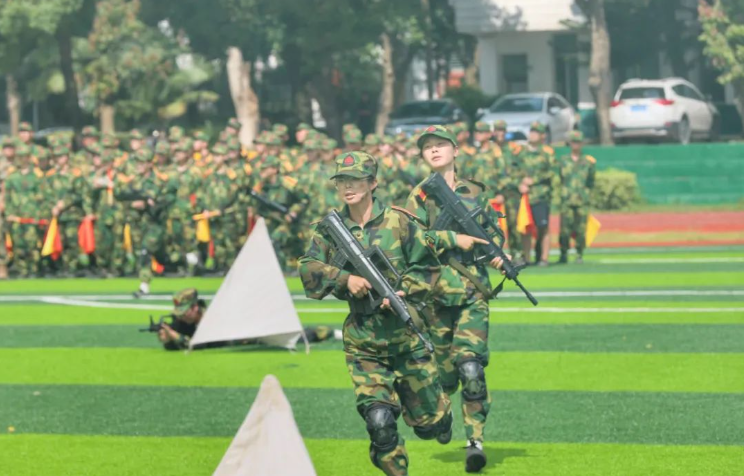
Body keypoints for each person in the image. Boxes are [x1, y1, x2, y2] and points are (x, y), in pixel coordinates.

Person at [298, 151, 456, 476]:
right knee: (380, 423)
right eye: (342, 181)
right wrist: (344, 278)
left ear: (373, 183)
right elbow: (307, 267)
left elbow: (428, 268)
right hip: (364, 343)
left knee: (431, 425)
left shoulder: (400, 222)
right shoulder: (329, 229)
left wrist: (403, 290)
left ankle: (439, 416)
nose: (347, 187)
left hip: (407, 339)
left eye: (355, 180)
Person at [404, 125, 507, 473]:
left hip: (472, 293)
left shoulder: (476, 193)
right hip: (433, 297)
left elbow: (491, 235)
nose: (434, 150)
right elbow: (411, 243)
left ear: (455, 150)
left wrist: (498, 256)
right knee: (445, 378)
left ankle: (475, 441)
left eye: (440, 145)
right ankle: (443, 414)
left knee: (471, 369)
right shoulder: (418, 197)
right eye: (427, 147)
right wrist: (451, 239)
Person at [518, 122, 555, 266]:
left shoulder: (547, 153)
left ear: (542, 136)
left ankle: (543, 258)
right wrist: (520, 183)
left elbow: (552, 172)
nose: (532, 134)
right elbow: (513, 170)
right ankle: (526, 257)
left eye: (536, 132)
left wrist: (533, 180)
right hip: (525, 197)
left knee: (542, 227)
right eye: (531, 131)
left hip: (541, 196)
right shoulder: (521, 152)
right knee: (525, 227)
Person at [558, 130, 596, 264]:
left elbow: (591, 181)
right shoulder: (563, 161)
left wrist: (586, 195)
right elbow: (560, 178)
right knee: (565, 229)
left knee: (581, 229)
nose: (576, 144)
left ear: (582, 144)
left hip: (582, 200)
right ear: (570, 143)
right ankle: (563, 253)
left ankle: (579, 253)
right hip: (567, 199)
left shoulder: (589, 161)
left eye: (578, 142)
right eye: (573, 142)